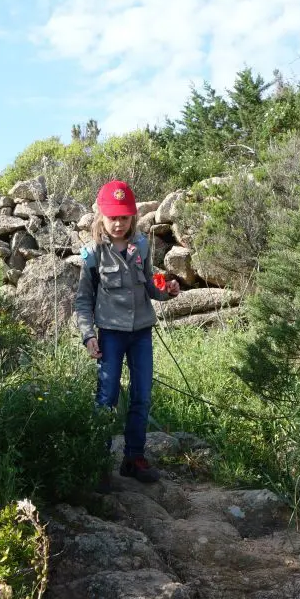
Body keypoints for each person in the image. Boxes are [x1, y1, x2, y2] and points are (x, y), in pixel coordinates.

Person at [75, 179, 180, 483]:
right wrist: (88, 334)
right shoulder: (92, 254)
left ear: (132, 217)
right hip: (110, 335)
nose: (118, 224)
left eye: (124, 217)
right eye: (112, 218)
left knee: (142, 395)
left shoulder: (142, 246)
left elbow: (149, 285)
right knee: (106, 397)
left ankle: (133, 458)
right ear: (102, 218)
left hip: (141, 333)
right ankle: (98, 462)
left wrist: (168, 291)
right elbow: (83, 300)